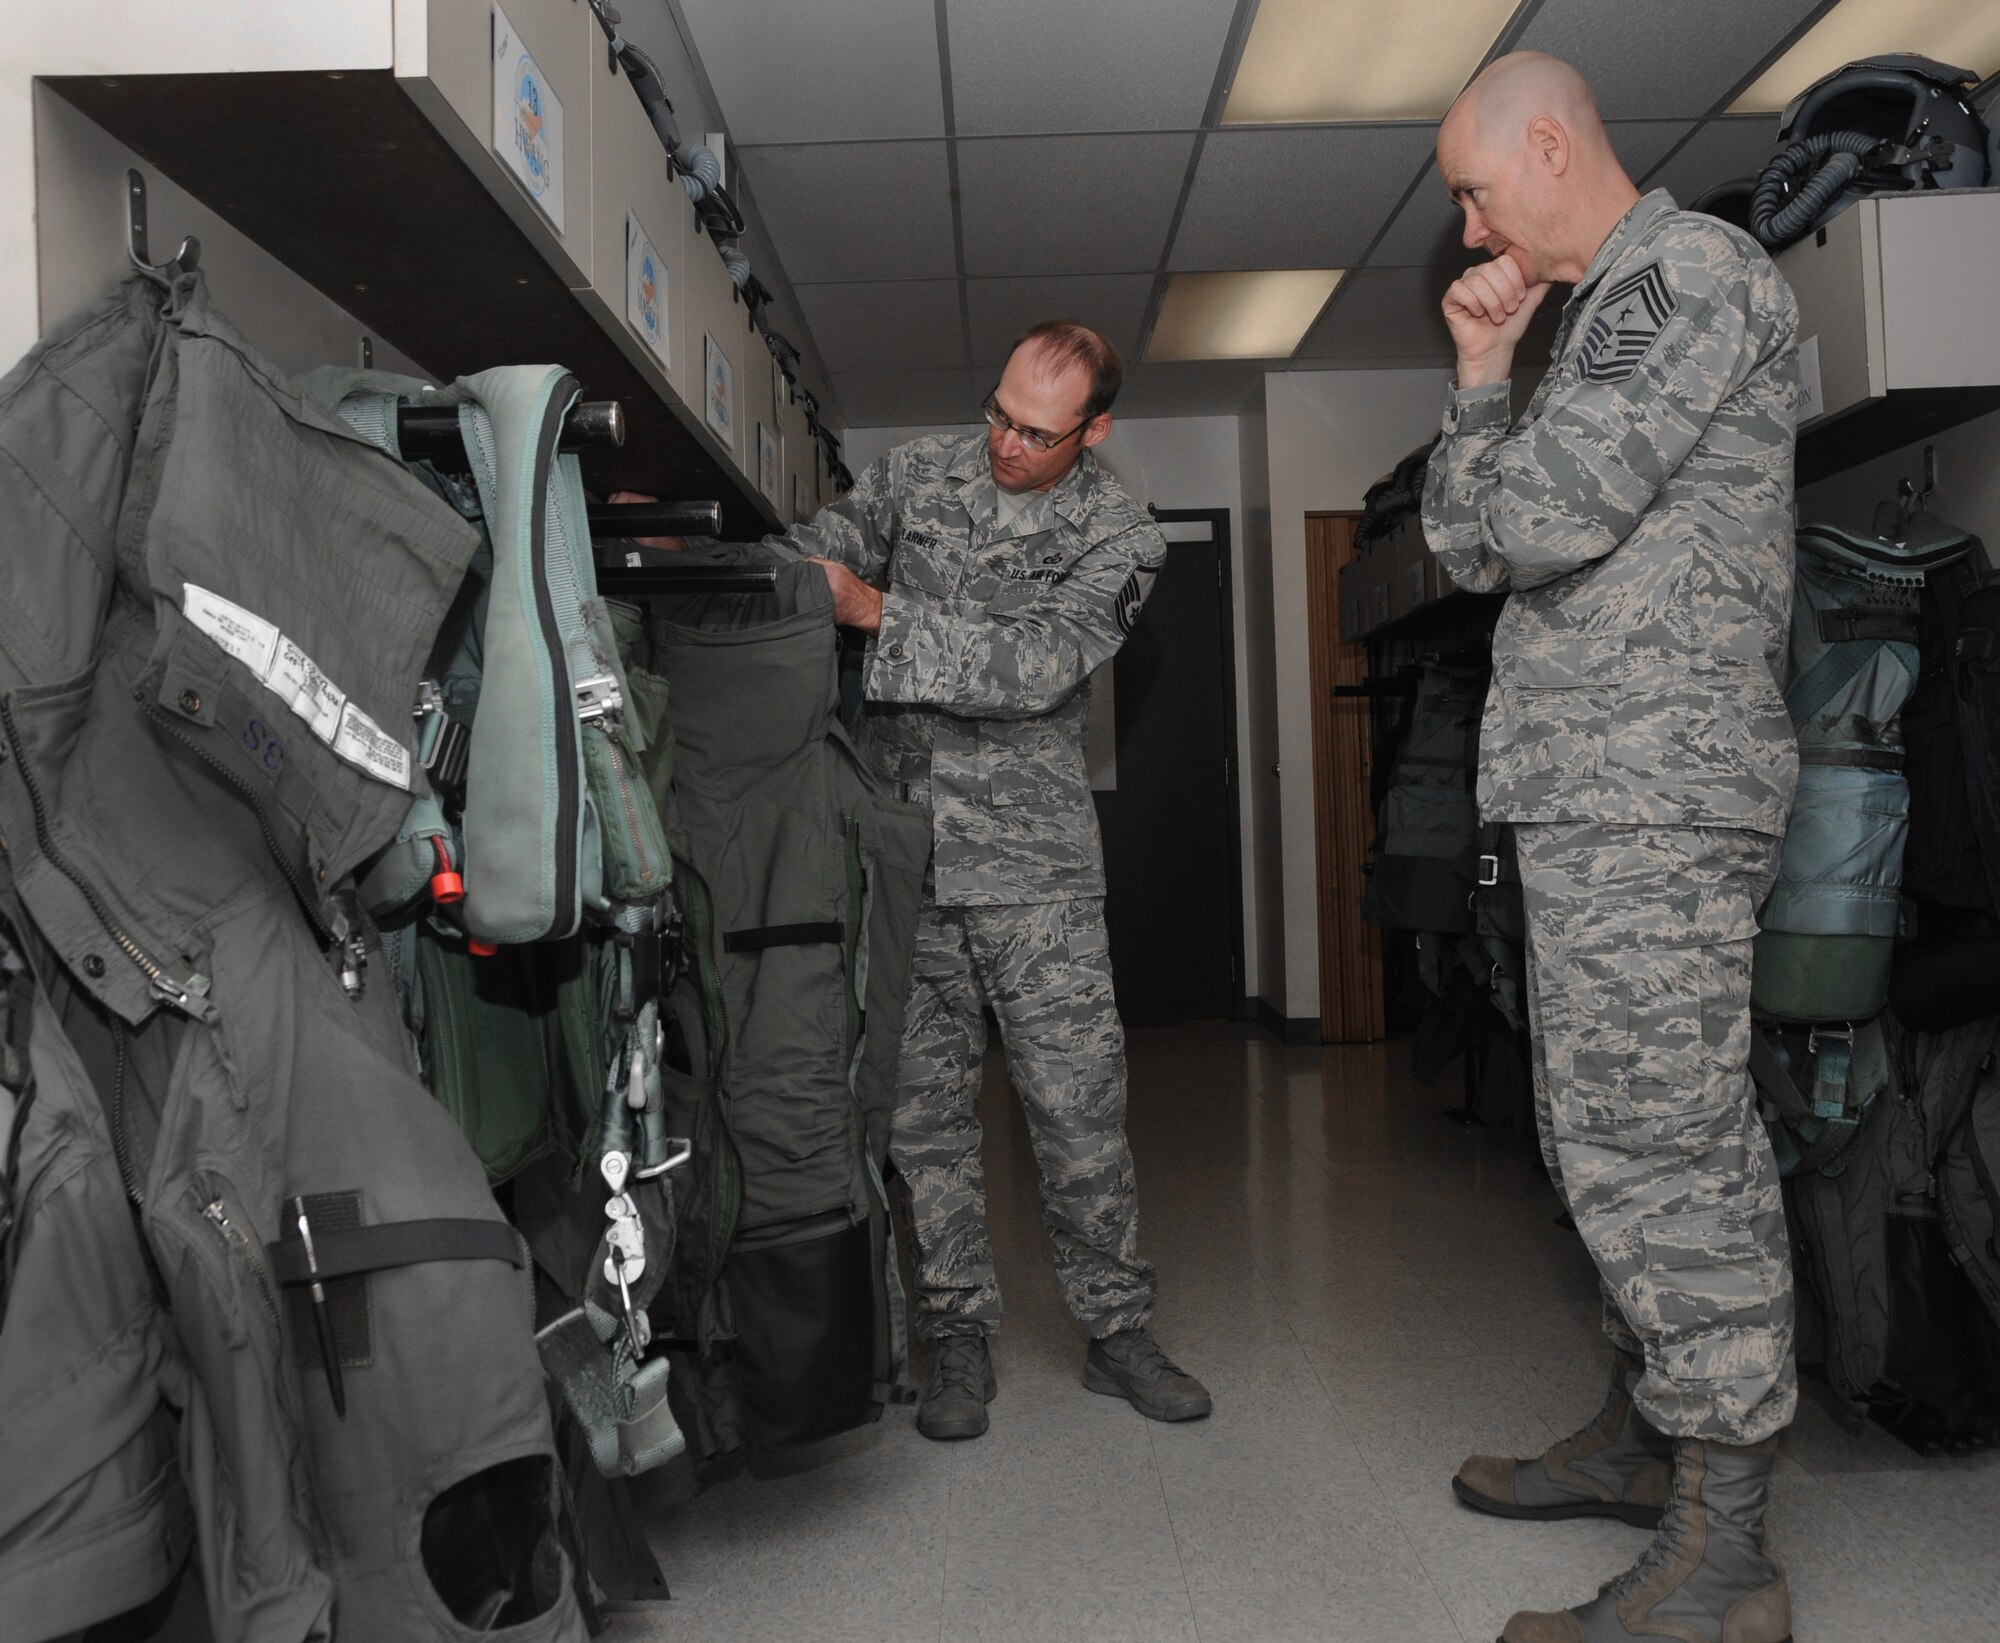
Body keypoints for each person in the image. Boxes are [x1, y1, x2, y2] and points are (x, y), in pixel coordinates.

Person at [617, 321, 1209, 1440]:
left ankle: (1118, 1328)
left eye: (1036, 433)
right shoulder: (916, 474)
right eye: (996, 412)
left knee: (1077, 1112)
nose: (1003, 443)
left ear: (1094, 431)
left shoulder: (1120, 538)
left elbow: (1033, 670)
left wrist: (873, 609)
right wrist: (690, 557)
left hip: (1035, 878)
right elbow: (811, 553)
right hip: (904, 860)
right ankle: (954, 1337)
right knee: (922, 1120)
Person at [1419, 53, 1801, 1643]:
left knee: (1668, 1147)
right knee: (1604, 1135)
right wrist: (1482, 377)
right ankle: (1654, 1436)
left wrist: (1493, 423)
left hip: (1658, 784)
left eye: (1472, 184)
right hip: (1603, 789)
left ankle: (1726, 1555)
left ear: (1553, 143)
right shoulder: (1590, 319)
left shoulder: (1683, 275)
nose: (1466, 220)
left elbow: (1522, 527)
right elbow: (1466, 535)